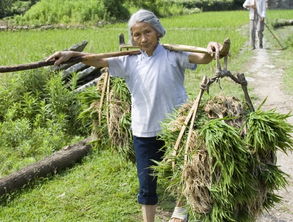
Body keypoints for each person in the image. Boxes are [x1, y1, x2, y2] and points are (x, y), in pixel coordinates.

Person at [47, 9, 224, 222]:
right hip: (144, 131)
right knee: (147, 184)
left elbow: (203, 58)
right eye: (136, 35)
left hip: (176, 128)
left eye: (147, 32)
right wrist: (71, 54)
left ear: (158, 31)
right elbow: (96, 60)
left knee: (182, 174)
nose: (142, 39)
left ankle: (179, 213)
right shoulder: (128, 62)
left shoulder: (174, 55)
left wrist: (214, 47)